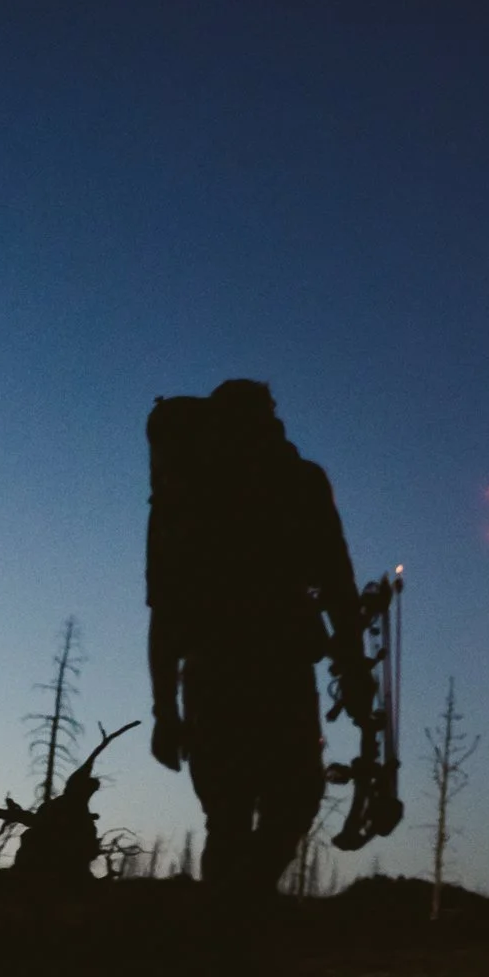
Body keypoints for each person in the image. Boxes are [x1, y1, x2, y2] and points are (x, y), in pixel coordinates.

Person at [146, 378, 373, 893]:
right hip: (263, 668)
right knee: (273, 804)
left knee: (247, 810)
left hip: (225, 670)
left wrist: (166, 710)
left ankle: (233, 922)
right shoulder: (288, 482)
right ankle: (237, 924)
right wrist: (355, 667)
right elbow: (337, 583)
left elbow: (165, 610)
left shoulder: (194, 489)